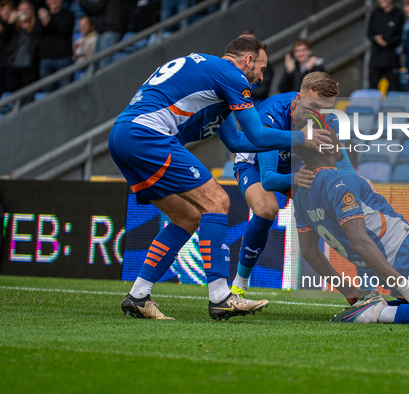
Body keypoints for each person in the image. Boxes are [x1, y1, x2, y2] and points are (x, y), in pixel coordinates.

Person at [109, 37, 332, 321]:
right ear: (247, 61)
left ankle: (138, 295)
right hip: (147, 135)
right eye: (261, 68)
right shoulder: (230, 74)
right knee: (217, 202)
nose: (262, 77)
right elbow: (258, 135)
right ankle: (221, 297)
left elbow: (237, 141)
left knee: (186, 217)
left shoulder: (211, 83)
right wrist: (302, 137)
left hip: (122, 136)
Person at [291, 129, 409, 326]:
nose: (340, 141)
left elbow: (309, 251)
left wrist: (347, 290)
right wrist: (405, 286)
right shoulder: (342, 181)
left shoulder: (300, 194)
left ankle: (375, 307)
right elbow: (359, 241)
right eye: (334, 138)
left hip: (379, 265)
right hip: (405, 253)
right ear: (327, 149)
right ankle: (381, 312)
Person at [231, 72, 361, 297]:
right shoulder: (271, 115)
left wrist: (357, 183)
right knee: (266, 209)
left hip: (294, 164)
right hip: (254, 163)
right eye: (313, 106)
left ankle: (356, 291)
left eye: (324, 108)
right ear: (298, 98)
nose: (318, 114)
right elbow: (269, 179)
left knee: (339, 208)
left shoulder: (325, 119)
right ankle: (239, 285)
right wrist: (297, 179)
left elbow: (343, 164)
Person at [4, 1, 42, 98]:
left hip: (29, 68)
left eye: (27, 9)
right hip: (13, 68)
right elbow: (3, 39)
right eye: (21, 10)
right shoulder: (13, 28)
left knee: (28, 98)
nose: (24, 12)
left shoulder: (37, 26)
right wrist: (9, 23)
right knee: (13, 99)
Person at [37, 0, 74, 92]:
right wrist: (44, 21)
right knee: (47, 92)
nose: (53, 1)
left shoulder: (68, 14)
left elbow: (63, 29)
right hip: (45, 59)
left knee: (65, 91)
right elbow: (37, 33)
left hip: (63, 58)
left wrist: (49, 20)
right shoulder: (41, 15)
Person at [367, 0, 404, 91]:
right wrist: (376, 39)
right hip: (376, 58)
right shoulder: (375, 13)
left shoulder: (398, 14)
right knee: (372, 87)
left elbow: (400, 36)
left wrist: (386, 41)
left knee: (394, 87)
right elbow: (369, 33)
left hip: (391, 58)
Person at [76, 0, 120, 69]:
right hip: (103, 31)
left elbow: (94, 8)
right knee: (95, 65)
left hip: (109, 31)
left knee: (104, 66)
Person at [238, 30, 273, 106]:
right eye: (243, 42)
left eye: (251, 42)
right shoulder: (234, 63)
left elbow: (263, 90)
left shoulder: (263, 63)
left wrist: (242, 93)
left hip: (259, 106)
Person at [0, 0, 15, 95]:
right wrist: (9, 24)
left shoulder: (17, 24)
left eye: (9, 9)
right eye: (3, 9)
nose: (6, 12)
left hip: (13, 64)